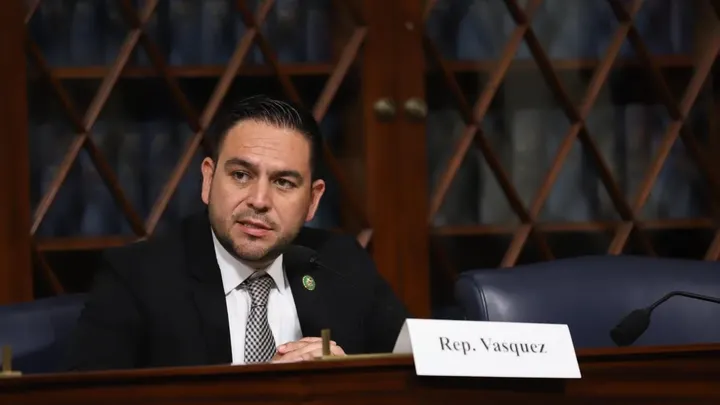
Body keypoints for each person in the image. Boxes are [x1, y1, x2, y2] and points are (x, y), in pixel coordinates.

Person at [64, 95, 410, 371]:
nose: (259, 201)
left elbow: (414, 364)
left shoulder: (340, 263)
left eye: (284, 183)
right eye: (241, 175)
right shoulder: (137, 277)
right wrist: (261, 394)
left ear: (312, 200)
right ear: (209, 179)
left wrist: (347, 382)